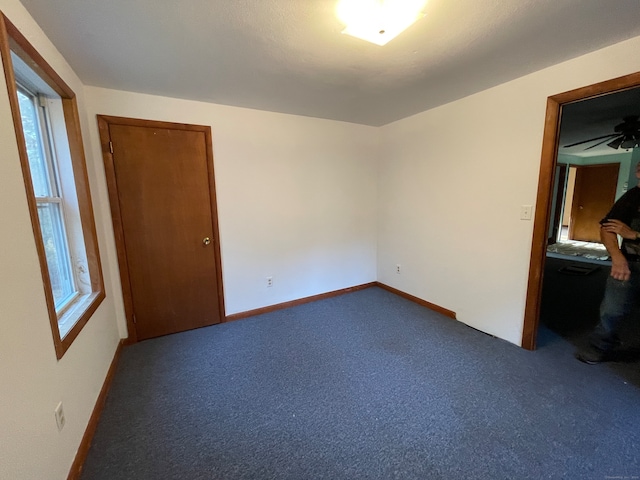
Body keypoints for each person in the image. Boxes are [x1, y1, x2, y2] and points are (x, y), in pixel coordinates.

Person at [575, 162, 640, 364]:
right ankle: (600, 346)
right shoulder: (633, 196)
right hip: (630, 263)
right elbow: (607, 227)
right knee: (612, 309)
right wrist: (617, 258)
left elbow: (629, 233)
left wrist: (635, 234)